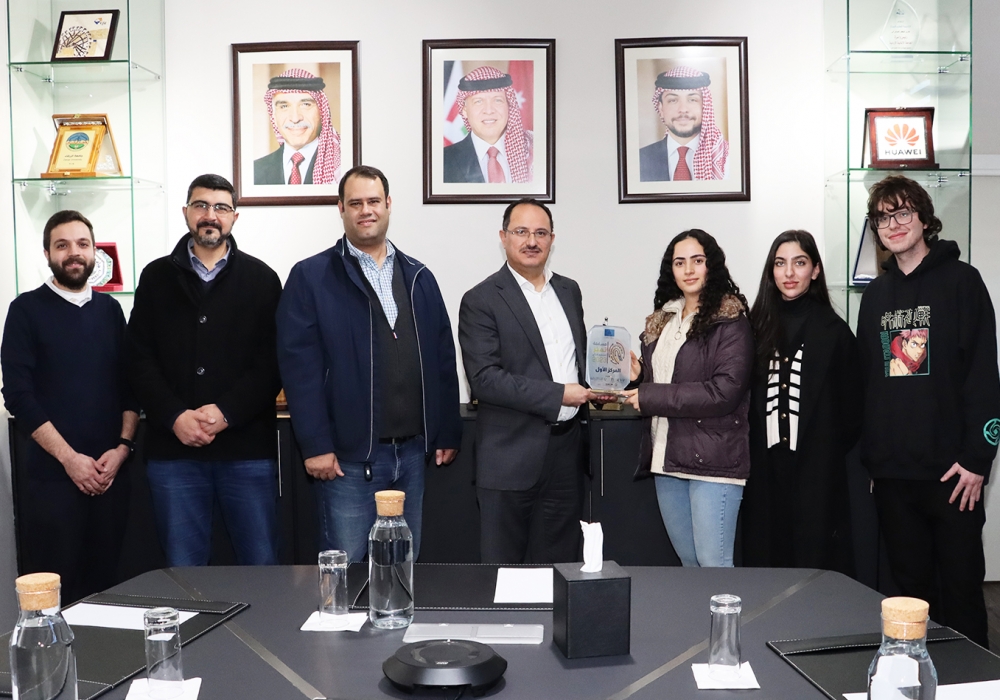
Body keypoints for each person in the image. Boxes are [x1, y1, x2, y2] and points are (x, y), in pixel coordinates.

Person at [277, 165, 462, 563]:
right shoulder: (311, 277)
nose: (366, 210)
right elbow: (299, 369)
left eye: (374, 201)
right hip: (348, 459)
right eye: (356, 203)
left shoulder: (419, 276)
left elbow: (442, 359)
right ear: (341, 208)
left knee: (403, 565)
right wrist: (315, 445)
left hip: (412, 455)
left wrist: (447, 429)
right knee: (344, 567)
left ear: (388, 204)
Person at [857, 174, 1000, 647]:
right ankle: (913, 677)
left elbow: (983, 375)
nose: (893, 224)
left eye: (902, 212)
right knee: (909, 597)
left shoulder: (963, 282)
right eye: (883, 217)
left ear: (923, 218)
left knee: (960, 592)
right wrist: (875, 461)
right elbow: (869, 385)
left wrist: (978, 460)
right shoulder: (874, 297)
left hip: (954, 475)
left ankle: (974, 679)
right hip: (894, 477)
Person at [127, 174, 283, 567]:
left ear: (234, 217)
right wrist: (175, 416)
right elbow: (139, 359)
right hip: (173, 452)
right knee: (184, 572)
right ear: (186, 212)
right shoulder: (155, 277)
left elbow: (272, 363)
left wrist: (227, 412)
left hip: (247, 451)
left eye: (221, 207)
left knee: (261, 569)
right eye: (200, 206)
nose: (210, 215)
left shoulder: (263, 279)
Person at [1, 210, 138, 603]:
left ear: (95, 253)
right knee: (55, 597)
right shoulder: (25, 310)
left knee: (109, 593)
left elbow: (130, 387)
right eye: (62, 245)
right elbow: (18, 395)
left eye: (82, 244)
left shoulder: (110, 311)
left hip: (110, 477)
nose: (73, 253)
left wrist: (122, 449)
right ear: (47, 254)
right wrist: (69, 459)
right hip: (52, 481)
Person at [459, 198, 594, 564]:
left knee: (562, 568)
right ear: (503, 237)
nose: (532, 241)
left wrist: (611, 375)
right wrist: (559, 395)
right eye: (521, 232)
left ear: (552, 239)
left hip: (567, 455)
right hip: (509, 457)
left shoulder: (569, 291)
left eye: (541, 233)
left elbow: (575, 362)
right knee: (505, 571)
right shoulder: (481, 299)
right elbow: (485, 380)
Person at [622, 229, 752, 567]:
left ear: (712, 265)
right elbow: (669, 380)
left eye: (697, 260)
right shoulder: (663, 319)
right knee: (690, 567)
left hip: (714, 463)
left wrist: (649, 394)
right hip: (667, 459)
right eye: (680, 263)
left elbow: (723, 392)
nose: (689, 270)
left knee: (714, 565)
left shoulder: (730, 321)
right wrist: (639, 376)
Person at [741, 230, 862, 575]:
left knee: (815, 563)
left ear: (816, 270)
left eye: (800, 262)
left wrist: (823, 448)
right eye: (780, 263)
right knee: (766, 563)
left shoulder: (835, 332)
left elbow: (853, 410)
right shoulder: (752, 328)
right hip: (763, 472)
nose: (789, 272)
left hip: (817, 472)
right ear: (771, 271)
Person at [443, 66, 533, 184]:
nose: (489, 110)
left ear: (509, 106)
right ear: (464, 110)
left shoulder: (534, 149)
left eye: (497, 100)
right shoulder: (444, 161)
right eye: (478, 101)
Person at [638, 67, 729, 182]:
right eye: (673, 100)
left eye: (692, 100)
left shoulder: (727, 158)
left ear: (705, 106)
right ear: (661, 108)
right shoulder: (639, 159)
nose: (683, 109)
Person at [254, 68, 342, 186]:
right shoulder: (255, 171)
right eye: (284, 106)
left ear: (322, 111)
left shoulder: (340, 167)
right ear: (274, 116)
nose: (295, 118)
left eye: (306, 105)